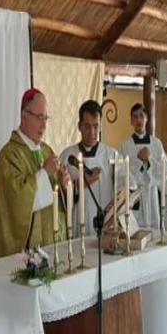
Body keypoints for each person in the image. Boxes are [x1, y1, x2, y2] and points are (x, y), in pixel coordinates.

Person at [0, 88, 70, 259]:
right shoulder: (9, 155)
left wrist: (63, 185)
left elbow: (57, 199)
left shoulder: (47, 151)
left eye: (46, 118)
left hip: (51, 245)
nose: (44, 125)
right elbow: (17, 202)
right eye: (39, 118)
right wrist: (45, 172)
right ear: (24, 116)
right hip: (24, 254)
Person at [60, 100, 117, 237]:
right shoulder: (67, 156)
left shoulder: (111, 155)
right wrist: (85, 182)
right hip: (78, 226)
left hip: (104, 227)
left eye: (96, 126)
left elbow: (123, 184)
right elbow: (61, 198)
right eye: (87, 126)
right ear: (79, 126)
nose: (92, 132)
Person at [120, 103, 167, 229]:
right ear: (131, 121)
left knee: (154, 232)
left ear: (147, 119)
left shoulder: (157, 144)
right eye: (135, 117)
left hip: (152, 194)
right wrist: (138, 161)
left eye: (141, 116)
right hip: (136, 196)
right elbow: (122, 172)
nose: (138, 120)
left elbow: (166, 169)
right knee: (136, 231)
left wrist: (150, 160)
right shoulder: (125, 146)